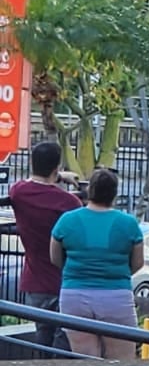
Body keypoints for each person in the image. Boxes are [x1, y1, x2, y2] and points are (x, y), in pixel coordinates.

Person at [50, 167, 143, 361]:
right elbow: (137, 263)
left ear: (90, 190)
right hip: (116, 295)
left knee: (85, 362)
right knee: (122, 361)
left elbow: (55, 258)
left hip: (74, 294)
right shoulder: (128, 223)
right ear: (115, 193)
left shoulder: (67, 220)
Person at [8, 139, 84, 353]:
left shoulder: (18, 192)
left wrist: (58, 176)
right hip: (66, 282)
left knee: (42, 341)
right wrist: (63, 178)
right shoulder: (70, 203)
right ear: (57, 167)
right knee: (65, 344)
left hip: (35, 282)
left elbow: (33, 182)